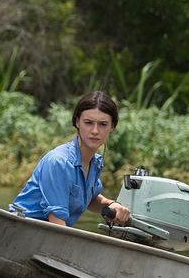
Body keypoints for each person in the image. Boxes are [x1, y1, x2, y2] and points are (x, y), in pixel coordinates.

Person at [9, 91, 131, 227]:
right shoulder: (58, 162)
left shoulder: (95, 163)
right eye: (88, 123)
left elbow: (89, 199)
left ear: (112, 127)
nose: (95, 131)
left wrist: (110, 204)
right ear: (77, 122)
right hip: (22, 229)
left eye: (103, 124)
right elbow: (56, 223)